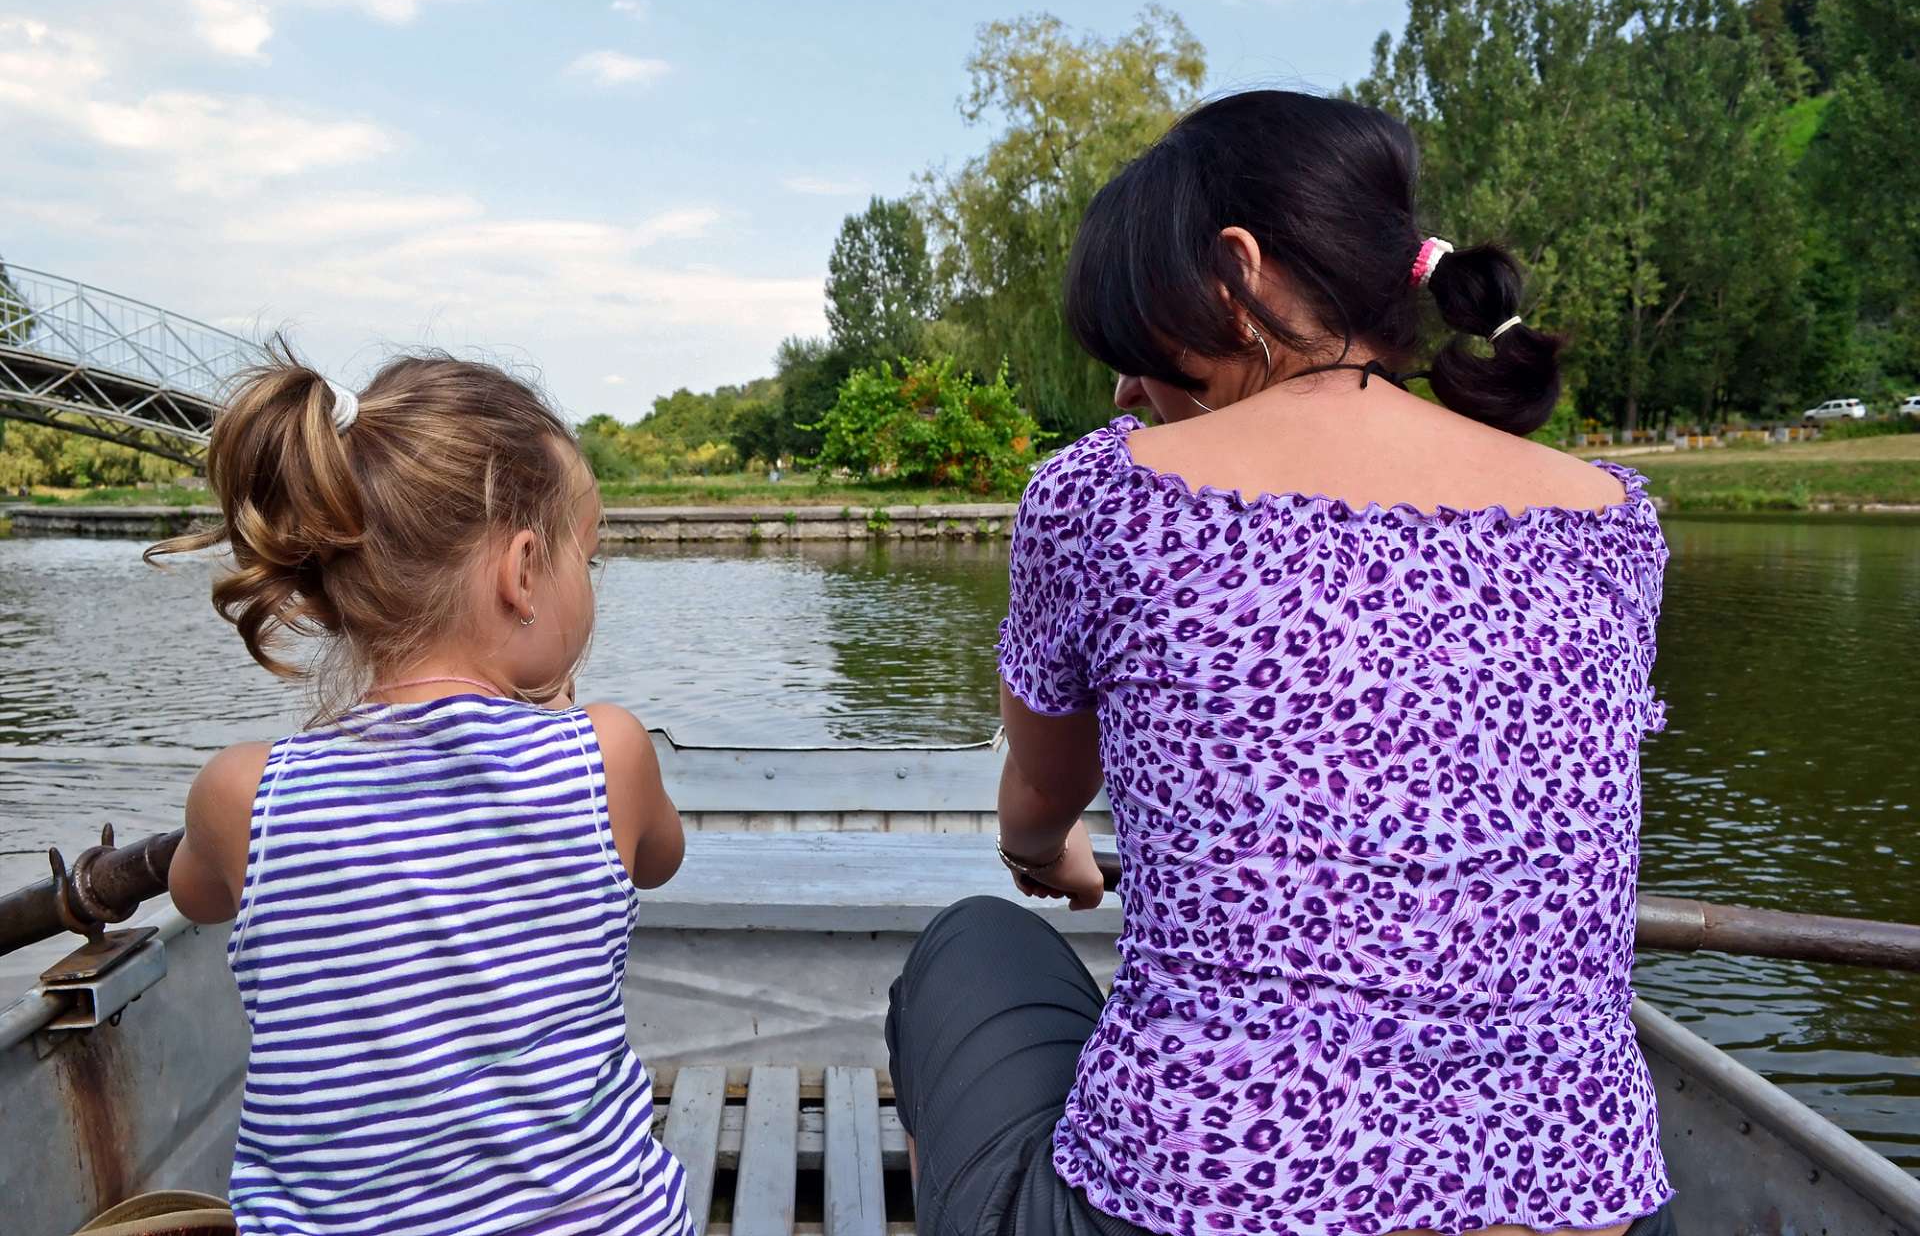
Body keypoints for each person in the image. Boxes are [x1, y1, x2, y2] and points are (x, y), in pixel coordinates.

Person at [887, 90, 1676, 1236]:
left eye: (1139, 343)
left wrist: (1043, 857)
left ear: (1237, 274)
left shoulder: (1104, 496)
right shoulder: (1613, 518)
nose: (1125, 391)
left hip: (1196, 1207)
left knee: (968, 944)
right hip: (1589, 1208)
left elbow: (1038, 801)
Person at [150, 346, 693, 1236]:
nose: (587, 588)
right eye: (584, 560)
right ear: (523, 573)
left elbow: (192, 890)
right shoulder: (608, 755)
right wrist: (558, 715)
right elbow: (660, 857)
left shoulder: (243, 795)